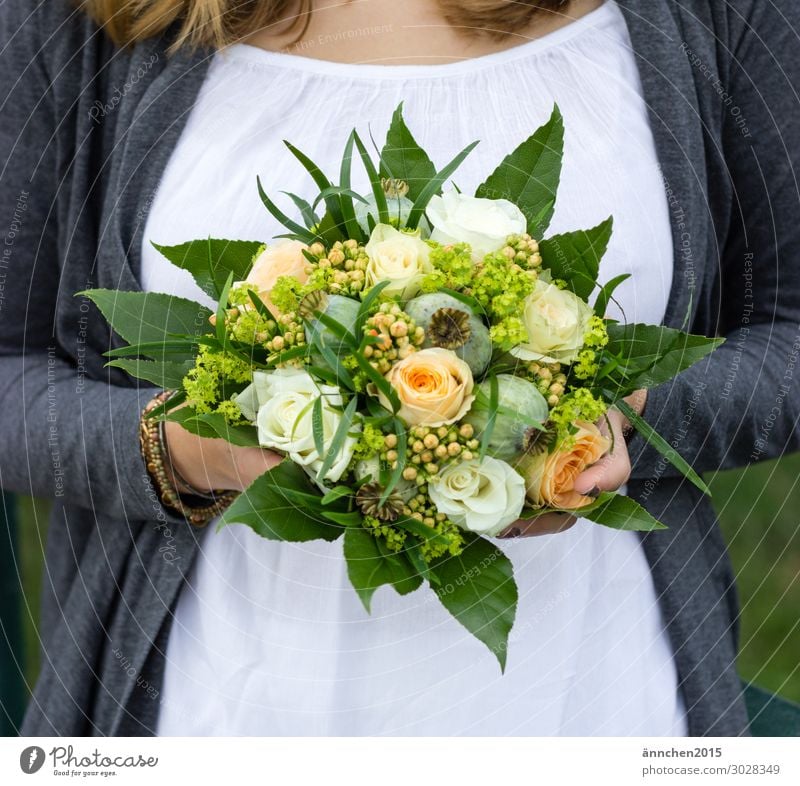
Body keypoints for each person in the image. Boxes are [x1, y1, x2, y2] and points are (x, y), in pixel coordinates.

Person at [1, 0, 798, 736]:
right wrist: (186, 452)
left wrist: (627, 414)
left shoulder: (716, 18)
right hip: (220, 713)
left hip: (596, 707)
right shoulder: (93, 22)